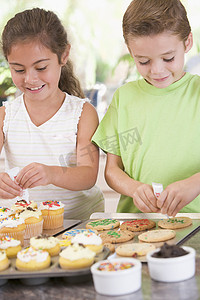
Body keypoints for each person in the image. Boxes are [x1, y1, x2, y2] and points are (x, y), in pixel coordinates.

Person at [92, 0, 200, 217]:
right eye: (143, 61)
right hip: (136, 223)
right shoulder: (124, 98)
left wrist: (194, 183)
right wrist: (134, 189)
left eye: (168, 58)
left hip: (195, 221)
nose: (157, 70)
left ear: (187, 42)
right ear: (130, 51)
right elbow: (112, 170)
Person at [0, 8, 104, 220]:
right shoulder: (5, 116)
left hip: (80, 222)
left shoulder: (83, 113)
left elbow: (88, 175)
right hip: (28, 221)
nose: (30, 79)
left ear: (63, 55)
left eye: (41, 67)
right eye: (19, 70)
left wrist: (51, 173)